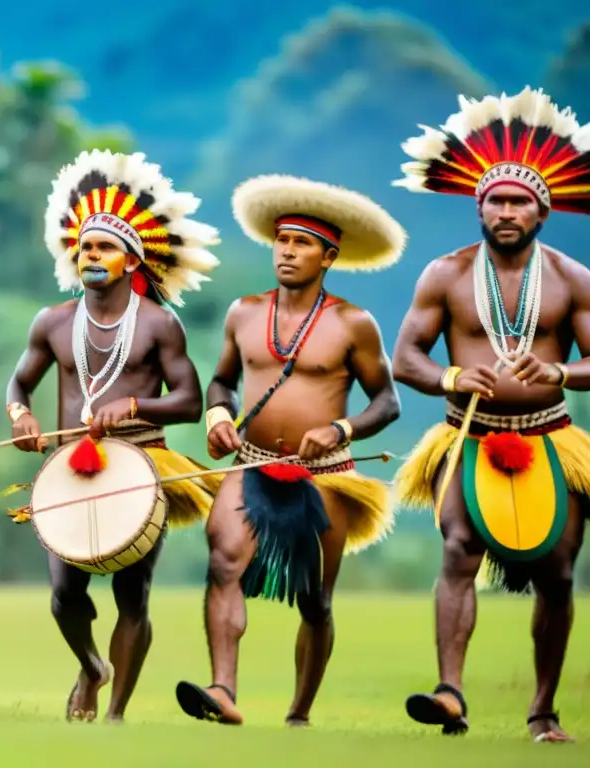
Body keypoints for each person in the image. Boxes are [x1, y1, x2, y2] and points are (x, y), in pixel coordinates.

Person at [391, 86, 590, 744]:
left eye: (519, 202)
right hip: (468, 436)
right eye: (495, 201)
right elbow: (406, 358)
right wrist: (451, 375)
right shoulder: (445, 275)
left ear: (542, 210)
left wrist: (560, 371)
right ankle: (450, 692)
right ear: (479, 207)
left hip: (550, 440)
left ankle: (542, 711)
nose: (506, 211)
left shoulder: (571, 278)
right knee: (457, 549)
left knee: (558, 573)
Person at [175, 175, 406, 727]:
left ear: (329, 255)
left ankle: (299, 714)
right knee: (224, 560)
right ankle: (222, 690)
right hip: (250, 462)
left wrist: (343, 430)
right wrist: (218, 415)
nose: (287, 251)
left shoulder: (354, 324)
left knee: (315, 602)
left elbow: (387, 401)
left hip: (324, 474)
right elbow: (221, 381)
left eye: (302, 243)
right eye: (282, 240)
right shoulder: (244, 313)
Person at [5, 149, 222, 722]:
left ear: (131, 260)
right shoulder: (51, 322)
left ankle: (118, 713)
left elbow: (190, 402)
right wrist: (19, 417)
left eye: (102, 246)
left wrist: (134, 404)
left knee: (133, 595)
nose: (88, 254)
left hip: (140, 467)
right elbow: (19, 384)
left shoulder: (158, 323)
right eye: (83, 246)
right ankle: (92, 666)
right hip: (68, 468)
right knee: (63, 595)